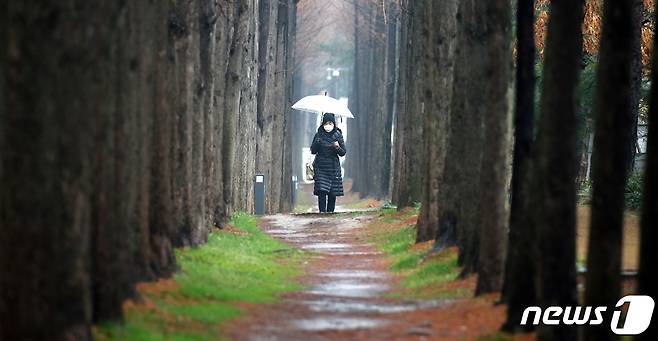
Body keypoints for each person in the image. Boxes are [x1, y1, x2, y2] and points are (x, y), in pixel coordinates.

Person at [310, 113, 347, 213]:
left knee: (332, 192)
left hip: (333, 167)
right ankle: (322, 212)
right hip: (320, 167)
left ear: (334, 124)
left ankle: (330, 213)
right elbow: (313, 150)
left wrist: (337, 147)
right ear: (323, 123)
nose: (328, 125)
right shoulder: (318, 135)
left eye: (330, 123)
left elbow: (343, 152)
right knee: (322, 190)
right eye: (326, 123)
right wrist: (316, 143)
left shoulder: (338, 135)